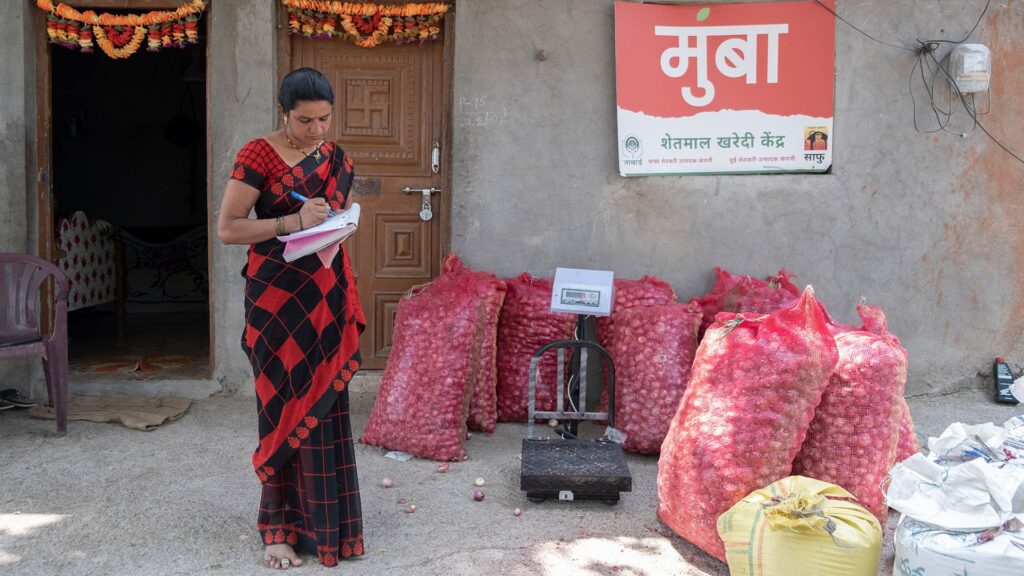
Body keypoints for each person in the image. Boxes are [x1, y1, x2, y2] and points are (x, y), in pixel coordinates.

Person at [217, 67, 366, 570]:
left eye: (325, 119)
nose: (318, 130)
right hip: (276, 302)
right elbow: (229, 229)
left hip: (326, 296)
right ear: (284, 114)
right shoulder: (257, 155)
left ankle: (332, 527)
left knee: (325, 408)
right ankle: (277, 530)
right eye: (306, 121)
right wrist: (292, 222)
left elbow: (333, 220)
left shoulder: (336, 158)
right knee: (281, 409)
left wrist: (335, 225)